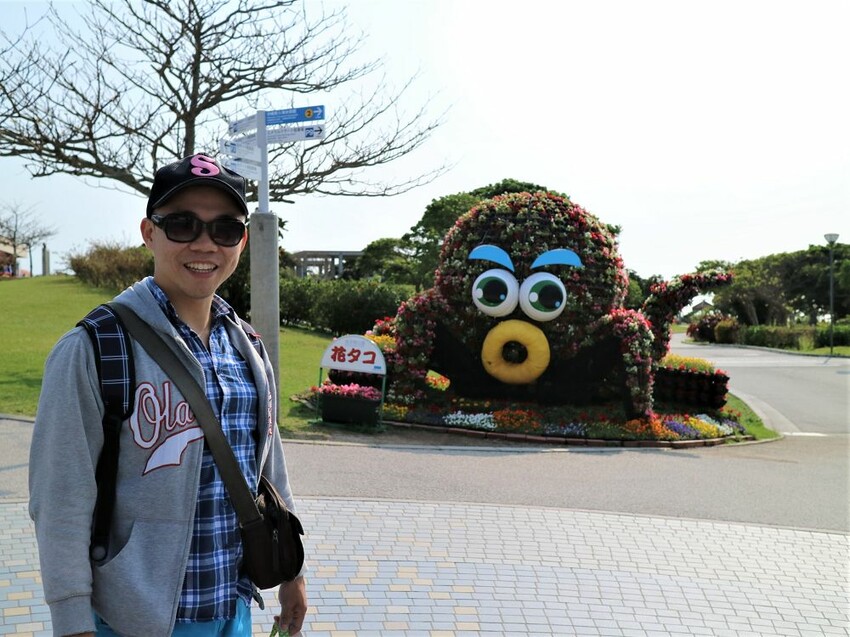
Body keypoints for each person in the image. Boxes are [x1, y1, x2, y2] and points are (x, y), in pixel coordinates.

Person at [29, 154, 308, 637]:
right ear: (149, 232)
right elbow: (61, 497)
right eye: (182, 225)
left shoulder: (248, 346)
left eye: (224, 228)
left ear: (241, 240)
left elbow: (268, 469)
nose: (205, 243)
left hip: (234, 607)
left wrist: (292, 574)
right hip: (135, 619)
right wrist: (71, 617)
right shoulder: (95, 347)